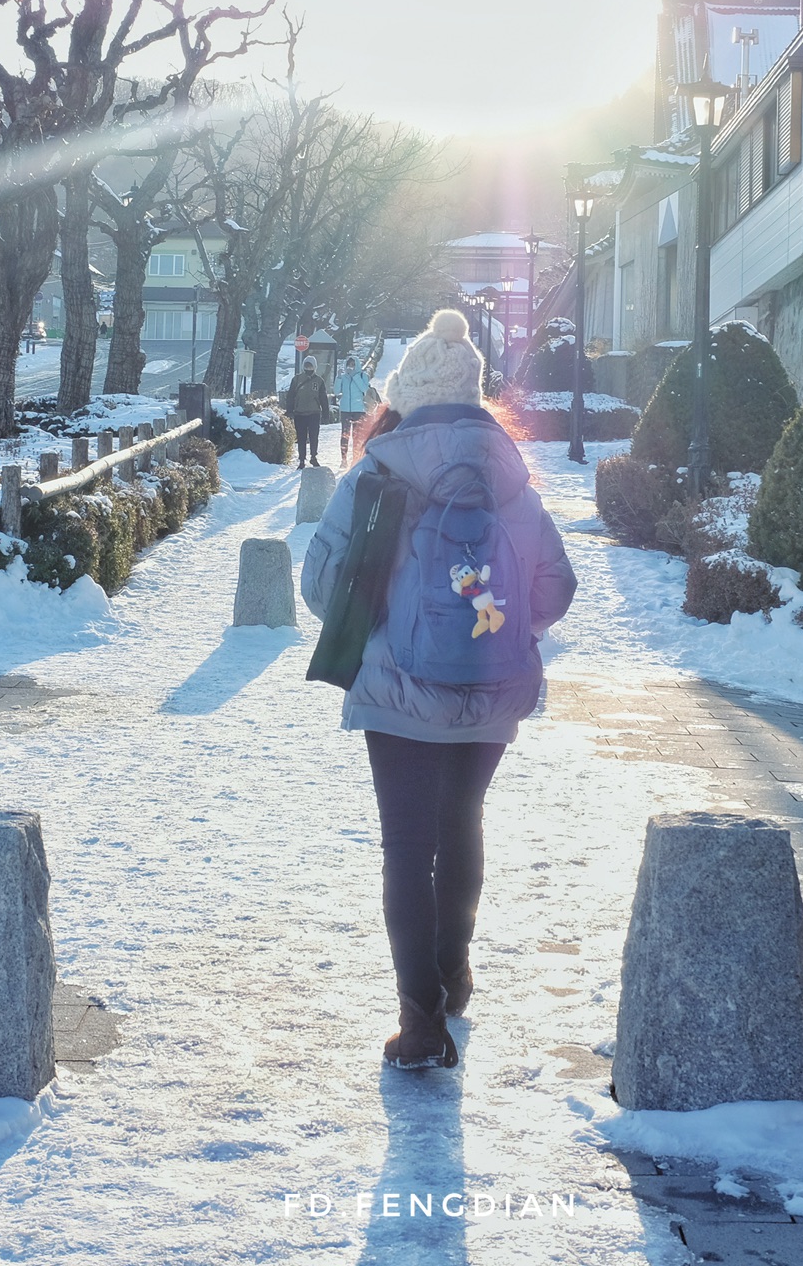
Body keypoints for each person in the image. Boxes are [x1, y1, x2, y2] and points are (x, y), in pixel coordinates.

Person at [301, 308, 577, 1070]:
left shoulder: (378, 473)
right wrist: (499, 628)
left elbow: (322, 586)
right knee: (465, 826)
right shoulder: (511, 476)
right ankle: (455, 977)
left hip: (398, 694)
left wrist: (388, 618)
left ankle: (421, 1023)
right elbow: (557, 585)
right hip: (492, 696)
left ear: (407, 393)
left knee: (406, 848)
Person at [285, 355, 331, 467]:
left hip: (314, 413)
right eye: (307, 366)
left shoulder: (319, 381)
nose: (308, 368)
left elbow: (323, 398)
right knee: (301, 437)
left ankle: (313, 456)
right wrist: (289, 410)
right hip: (299, 413)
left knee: (314, 436)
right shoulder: (296, 379)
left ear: (314, 367)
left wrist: (326, 413)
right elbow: (290, 395)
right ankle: (301, 459)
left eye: (310, 366)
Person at [337, 353, 373, 465]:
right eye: (349, 365)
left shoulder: (363, 376)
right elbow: (336, 391)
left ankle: (356, 458)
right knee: (345, 434)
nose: (350, 367)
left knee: (357, 435)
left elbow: (364, 389)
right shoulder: (343, 377)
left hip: (359, 409)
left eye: (353, 365)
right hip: (345, 409)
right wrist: (338, 378)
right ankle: (344, 459)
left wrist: (355, 376)